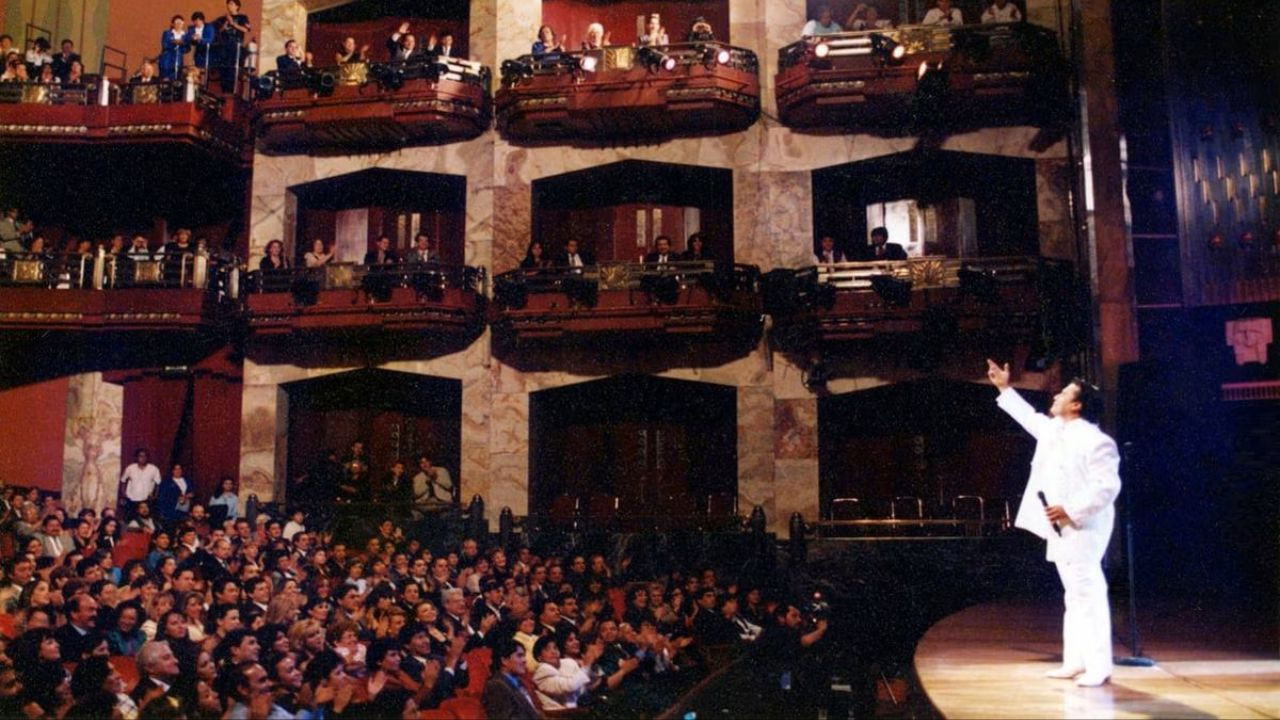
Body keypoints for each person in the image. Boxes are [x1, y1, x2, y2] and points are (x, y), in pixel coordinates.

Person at [985, 359, 1121, 687]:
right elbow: (1028, 418)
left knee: (1087, 593)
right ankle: (1075, 661)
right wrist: (1004, 388)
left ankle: (1099, 665)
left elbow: (1106, 488)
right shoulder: (1056, 430)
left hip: (1083, 526)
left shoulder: (1096, 440)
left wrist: (1070, 510)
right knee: (1073, 596)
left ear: (1076, 405)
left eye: (1064, 394)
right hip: (1060, 526)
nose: (1056, 395)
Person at [483, 639, 540, 719]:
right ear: (504, 660)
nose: (524, 660)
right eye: (519, 656)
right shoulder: (496, 686)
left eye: (524, 656)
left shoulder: (519, 682)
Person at [214, 0, 251, 92]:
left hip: (236, 46)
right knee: (223, 68)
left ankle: (232, 89)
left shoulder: (243, 17)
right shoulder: (222, 18)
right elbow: (218, 32)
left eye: (231, 4)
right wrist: (225, 24)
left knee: (233, 68)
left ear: (237, 6)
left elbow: (246, 30)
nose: (229, 6)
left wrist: (233, 24)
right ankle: (224, 89)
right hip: (224, 46)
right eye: (228, 4)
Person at [119, 448, 161, 519]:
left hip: (146, 500)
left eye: (145, 456)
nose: (143, 458)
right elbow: (123, 481)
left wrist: (155, 496)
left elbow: (158, 484)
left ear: (147, 457)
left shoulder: (153, 469)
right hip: (131, 499)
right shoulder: (130, 468)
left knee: (144, 520)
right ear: (136, 457)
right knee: (130, 519)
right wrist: (124, 494)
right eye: (140, 456)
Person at [160, 15, 191, 79]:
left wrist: (182, 45)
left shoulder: (185, 35)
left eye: (181, 23)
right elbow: (165, 44)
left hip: (178, 60)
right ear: (173, 24)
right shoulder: (167, 33)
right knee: (165, 79)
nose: (179, 25)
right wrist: (174, 43)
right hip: (167, 60)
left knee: (177, 79)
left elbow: (187, 48)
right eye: (177, 23)